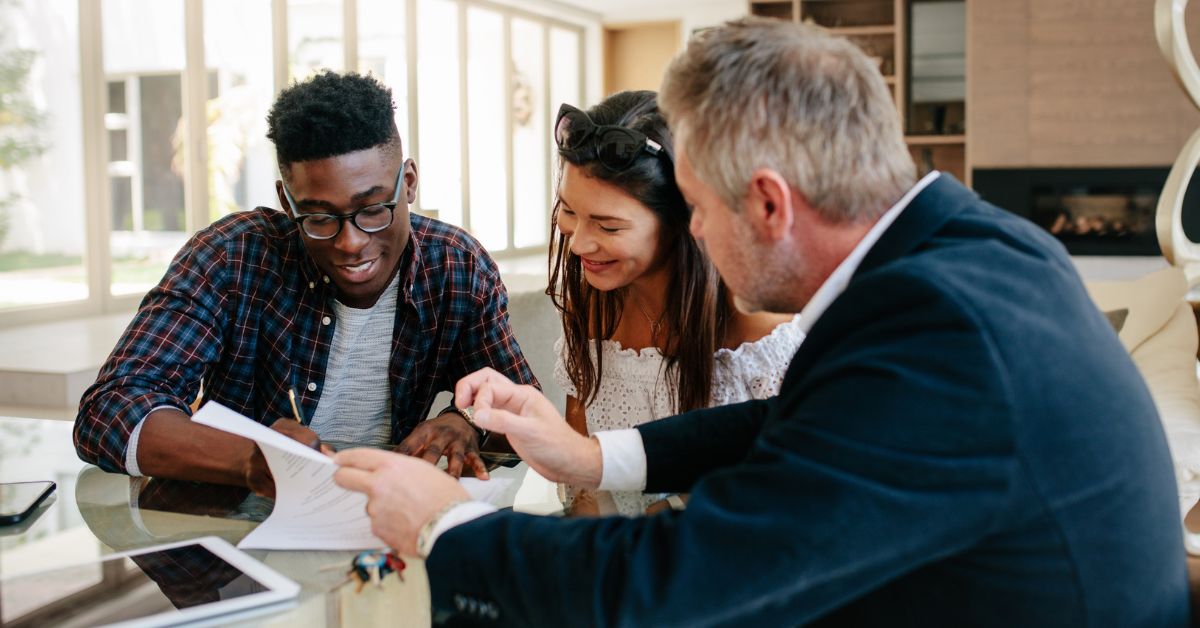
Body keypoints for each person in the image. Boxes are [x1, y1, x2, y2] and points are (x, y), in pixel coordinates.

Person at [334, 19, 1188, 626]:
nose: (695, 234)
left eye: (698, 209)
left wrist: (445, 525)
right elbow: (800, 421)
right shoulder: (972, 246)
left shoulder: (942, 337)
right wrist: (595, 457)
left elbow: (684, 586)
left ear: (770, 203)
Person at [75, 71, 537, 496]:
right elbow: (110, 410)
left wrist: (466, 421)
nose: (352, 243)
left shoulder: (456, 266)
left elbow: (524, 409)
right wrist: (250, 461)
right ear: (286, 200)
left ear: (409, 184)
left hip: (384, 521)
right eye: (317, 217)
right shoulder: (232, 256)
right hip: (239, 529)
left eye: (374, 208)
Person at [548, 90, 803, 515]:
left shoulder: (754, 324)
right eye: (569, 211)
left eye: (608, 226)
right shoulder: (595, 306)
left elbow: (786, 489)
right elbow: (583, 480)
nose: (578, 244)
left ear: (684, 223)